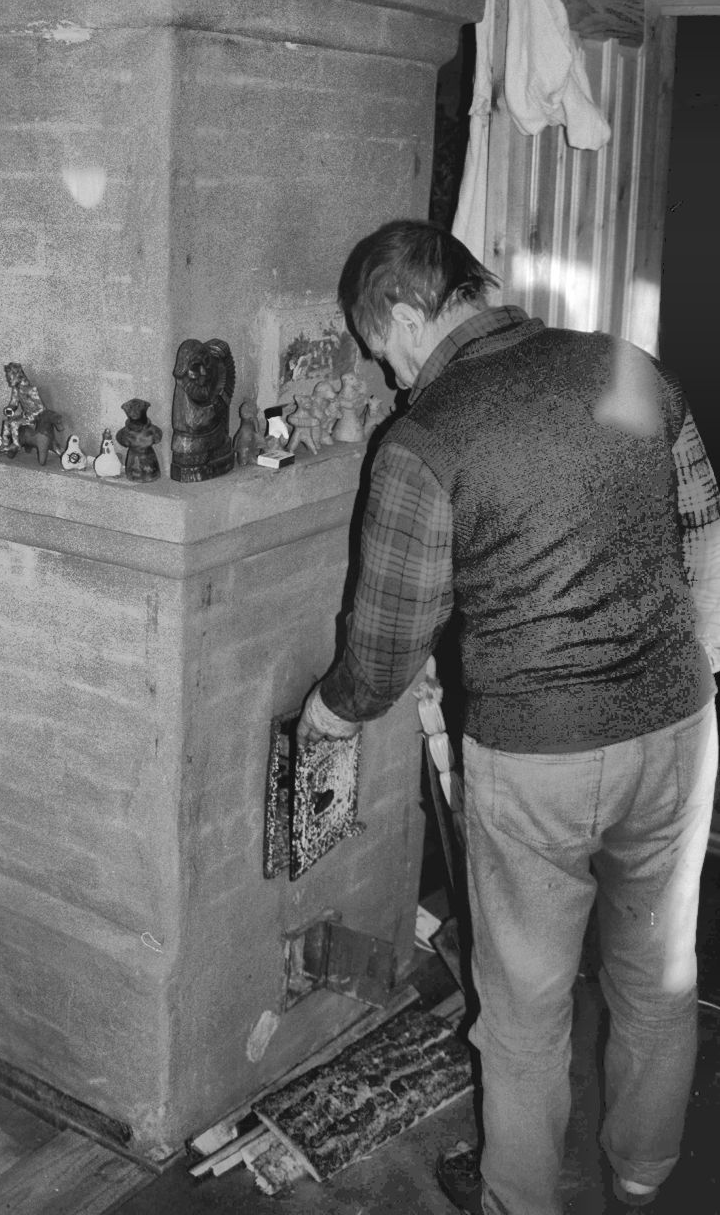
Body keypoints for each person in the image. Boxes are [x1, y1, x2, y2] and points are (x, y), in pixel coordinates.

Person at [297, 220, 720, 1215]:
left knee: (527, 1012)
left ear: (405, 310)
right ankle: (641, 1178)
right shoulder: (628, 368)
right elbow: (703, 521)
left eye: (380, 351)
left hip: (537, 763)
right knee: (658, 975)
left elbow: (389, 639)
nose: (391, 377)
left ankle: (518, 1202)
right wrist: (693, 674)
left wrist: (332, 714)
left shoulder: (429, 435)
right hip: (674, 736)